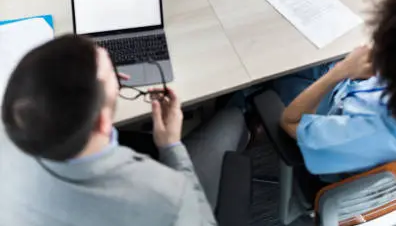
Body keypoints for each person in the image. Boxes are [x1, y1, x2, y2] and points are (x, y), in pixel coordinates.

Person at [0, 34, 246, 225]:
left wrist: (100, 86)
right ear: (103, 123)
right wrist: (171, 145)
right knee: (232, 119)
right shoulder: (166, 194)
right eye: (111, 74)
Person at [274, 0, 396, 177]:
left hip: (328, 116)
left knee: (277, 69)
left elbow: (291, 122)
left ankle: (245, 118)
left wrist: (341, 71)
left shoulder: (371, 133)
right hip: (353, 88)